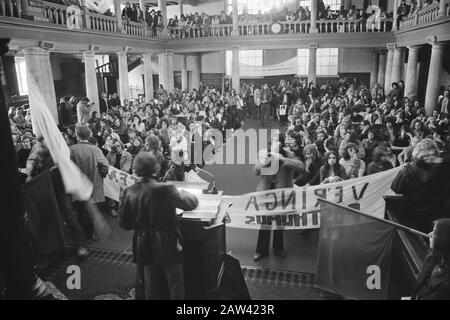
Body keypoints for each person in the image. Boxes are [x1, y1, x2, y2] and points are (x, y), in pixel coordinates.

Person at [118, 152, 198, 300]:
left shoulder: (128, 192)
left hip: (143, 243)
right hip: (168, 242)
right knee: (175, 285)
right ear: (156, 169)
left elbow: (124, 223)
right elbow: (190, 204)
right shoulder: (166, 189)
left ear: (135, 170)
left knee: (151, 286)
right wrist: (185, 192)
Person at [253, 133, 304, 261]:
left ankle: (278, 248)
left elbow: (301, 167)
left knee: (280, 223)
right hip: (267, 192)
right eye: (275, 141)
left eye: (280, 141)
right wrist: (263, 162)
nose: (278, 143)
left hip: (282, 195)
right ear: (270, 143)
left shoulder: (288, 154)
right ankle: (261, 251)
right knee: (265, 223)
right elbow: (255, 171)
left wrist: (283, 159)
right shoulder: (263, 153)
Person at [391, 139, 450, 232]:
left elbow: (396, 190)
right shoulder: (445, 170)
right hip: (439, 220)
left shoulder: (406, 171)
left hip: (412, 220)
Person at [69, 125, 109, 242]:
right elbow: (105, 165)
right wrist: (101, 175)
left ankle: (82, 235)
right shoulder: (96, 150)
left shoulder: (71, 149)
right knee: (91, 211)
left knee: (80, 210)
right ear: (89, 135)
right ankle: (90, 235)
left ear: (77, 136)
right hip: (93, 184)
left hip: (77, 185)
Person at [411, 218, 450, 300]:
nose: (430, 234)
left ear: (444, 238)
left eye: (434, 232)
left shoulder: (447, 283)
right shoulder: (432, 258)